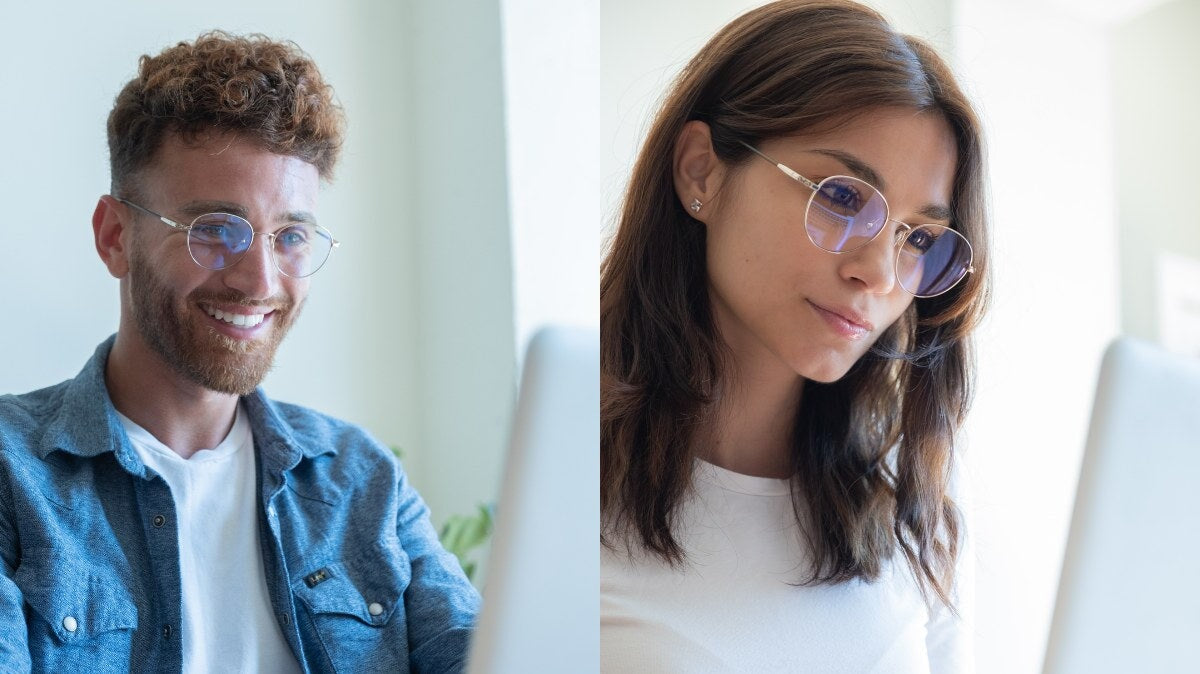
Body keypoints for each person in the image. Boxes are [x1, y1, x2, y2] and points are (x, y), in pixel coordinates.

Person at [0, 32, 478, 672]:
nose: (260, 281)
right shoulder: (12, 477)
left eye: (291, 236)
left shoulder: (363, 483)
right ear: (115, 237)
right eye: (215, 231)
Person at [600, 1, 990, 671]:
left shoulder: (917, 526)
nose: (875, 272)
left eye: (918, 238)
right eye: (841, 197)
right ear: (702, 173)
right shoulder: (571, 486)